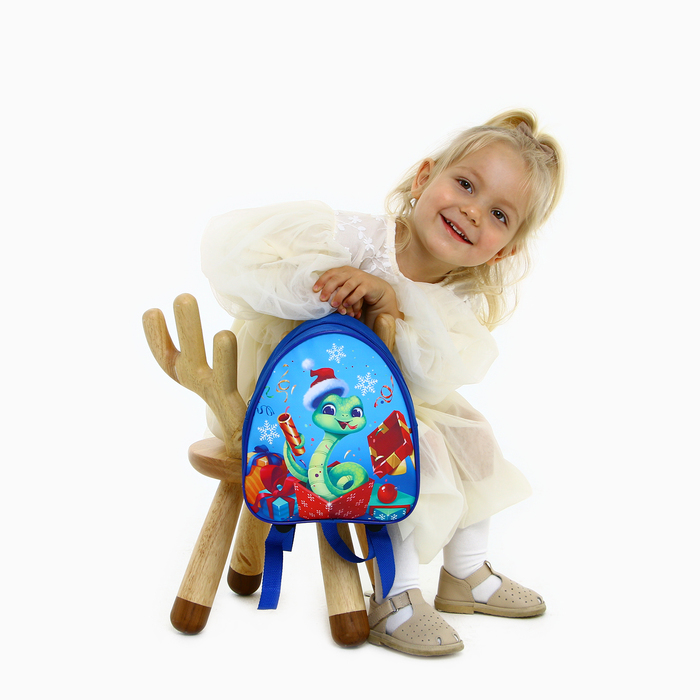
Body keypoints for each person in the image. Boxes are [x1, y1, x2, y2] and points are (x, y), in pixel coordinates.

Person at [201, 109, 564, 657]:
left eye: (498, 214)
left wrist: (391, 309)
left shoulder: (455, 297)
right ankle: (396, 595)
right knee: (410, 444)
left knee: (473, 434)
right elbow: (241, 259)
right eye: (466, 184)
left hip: (382, 401)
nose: (472, 211)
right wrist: (325, 285)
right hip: (299, 400)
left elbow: (428, 378)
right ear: (424, 178)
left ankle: (465, 571)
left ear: (505, 249)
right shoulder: (353, 238)